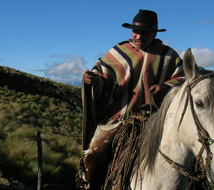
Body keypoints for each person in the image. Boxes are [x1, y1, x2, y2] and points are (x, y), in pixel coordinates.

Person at [77, 9, 185, 189]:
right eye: (136, 31)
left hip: (156, 121)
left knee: (188, 158)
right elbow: (100, 73)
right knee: (94, 156)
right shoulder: (118, 52)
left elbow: (183, 78)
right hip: (119, 120)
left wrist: (166, 88)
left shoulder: (169, 56)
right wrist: (92, 80)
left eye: (145, 32)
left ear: (155, 33)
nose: (139, 36)